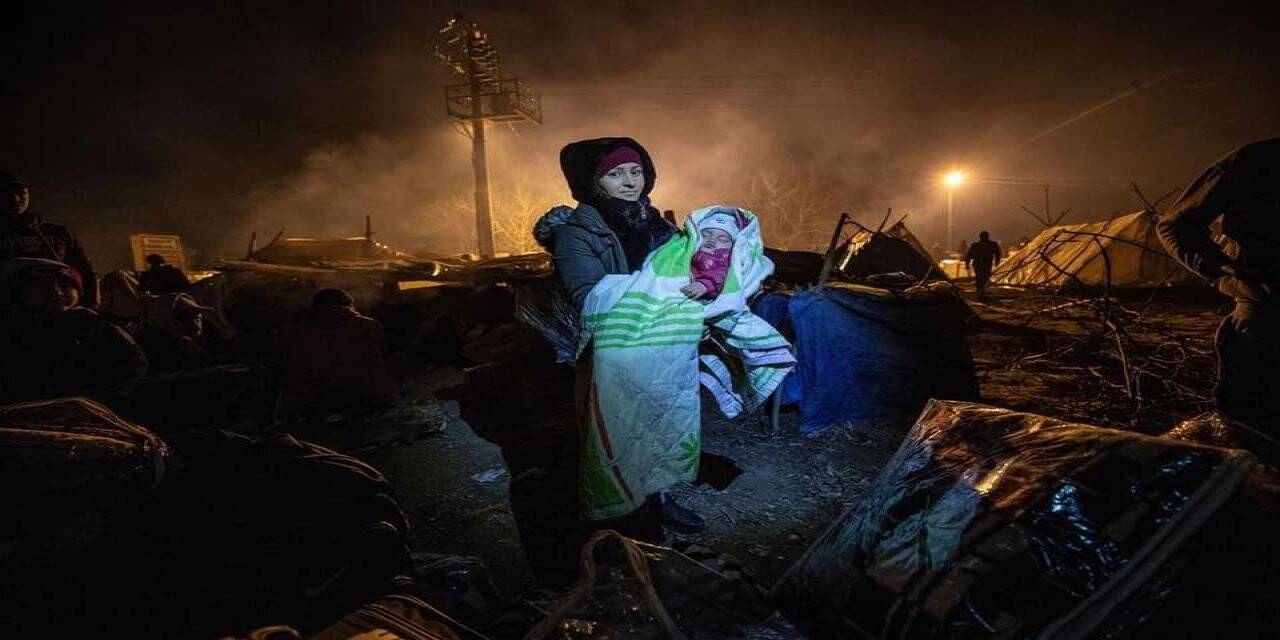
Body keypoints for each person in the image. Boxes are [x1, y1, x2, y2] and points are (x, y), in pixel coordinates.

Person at [533, 137, 706, 537]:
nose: (630, 181)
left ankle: (658, 498)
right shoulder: (577, 234)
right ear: (593, 182)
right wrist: (660, 291)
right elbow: (587, 294)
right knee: (615, 428)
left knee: (659, 422)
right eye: (615, 174)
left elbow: (687, 270)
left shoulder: (658, 225)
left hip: (658, 343)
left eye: (636, 171)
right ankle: (619, 513)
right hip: (609, 348)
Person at [1157, 137, 1280, 431]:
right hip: (1267, 322)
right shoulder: (1258, 160)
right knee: (1255, 439)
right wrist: (1223, 271)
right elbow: (1175, 225)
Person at [0, 257, 146, 404]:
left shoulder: (92, 323)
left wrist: (103, 400)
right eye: (41, 287)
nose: (57, 293)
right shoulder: (12, 329)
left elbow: (131, 362)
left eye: (64, 285)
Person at [276, 288, 396, 422]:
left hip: (314, 401)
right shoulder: (369, 326)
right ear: (348, 304)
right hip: (367, 396)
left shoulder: (295, 331)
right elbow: (384, 356)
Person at [0, 171, 99, 308]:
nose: (16, 198)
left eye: (21, 192)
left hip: (65, 306)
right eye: (7, 192)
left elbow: (84, 269)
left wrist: (91, 305)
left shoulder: (58, 232)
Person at [681, 208, 746, 300]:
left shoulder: (726, 258)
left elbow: (724, 275)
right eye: (706, 234)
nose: (712, 240)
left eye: (722, 239)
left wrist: (705, 284)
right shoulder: (687, 249)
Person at [964, 231, 1002, 297]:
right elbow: (968, 255)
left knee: (982, 278)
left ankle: (981, 290)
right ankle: (981, 291)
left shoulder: (977, 245)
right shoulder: (991, 244)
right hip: (983, 264)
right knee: (981, 278)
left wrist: (967, 264)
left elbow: (968, 255)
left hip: (982, 264)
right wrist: (997, 262)